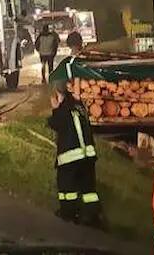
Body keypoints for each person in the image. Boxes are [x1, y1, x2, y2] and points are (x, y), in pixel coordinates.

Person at [48, 80, 101, 226]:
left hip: (70, 157)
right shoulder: (79, 106)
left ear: (58, 94)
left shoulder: (62, 109)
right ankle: (92, 215)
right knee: (89, 189)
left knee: (67, 187)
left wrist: (55, 109)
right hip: (88, 156)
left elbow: (54, 123)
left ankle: (68, 213)